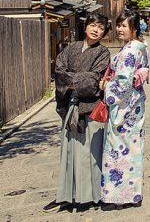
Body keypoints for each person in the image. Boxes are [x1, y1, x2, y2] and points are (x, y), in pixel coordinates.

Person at [44, 13, 110, 212]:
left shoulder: (103, 53)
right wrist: (77, 79)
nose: (95, 29)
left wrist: (72, 79)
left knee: (90, 153)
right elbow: (59, 72)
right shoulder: (70, 48)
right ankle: (67, 195)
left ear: (104, 32)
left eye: (100, 27)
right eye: (92, 25)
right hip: (70, 106)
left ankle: (92, 196)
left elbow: (95, 80)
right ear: (86, 26)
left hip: (89, 109)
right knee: (69, 152)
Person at [100, 11, 149, 210]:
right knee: (133, 150)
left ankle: (117, 197)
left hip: (124, 106)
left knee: (117, 149)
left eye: (124, 26)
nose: (119, 29)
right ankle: (131, 195)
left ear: (134, 28)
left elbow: (123, 81)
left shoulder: (130, 51)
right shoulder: (139, 47)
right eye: (118, 25)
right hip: (135, 103)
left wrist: (105, 87)